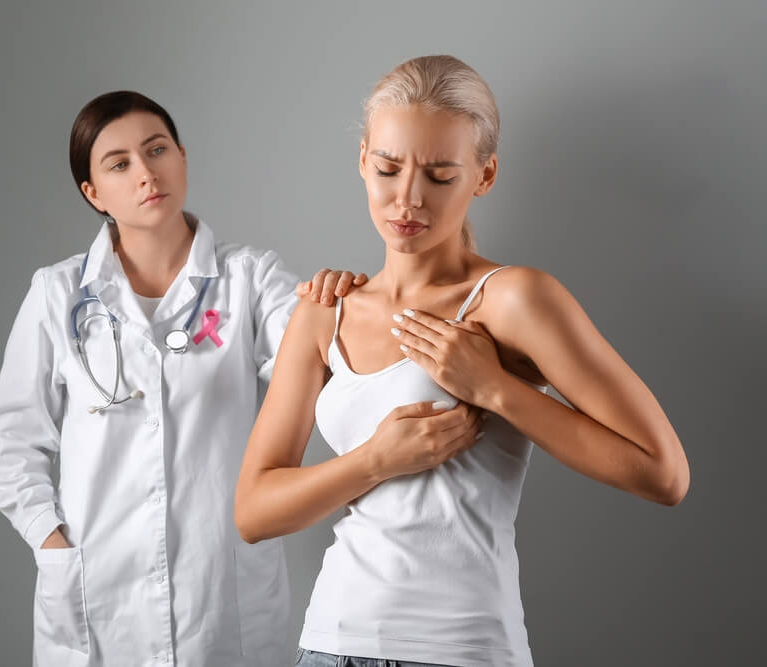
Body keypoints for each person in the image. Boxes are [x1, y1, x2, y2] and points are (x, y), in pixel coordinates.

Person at [234, 55, 690, 667]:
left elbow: (664, 475)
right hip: (331, 643)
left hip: (466, 649)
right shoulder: (326, 310)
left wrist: (497, 389)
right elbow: (253, 511)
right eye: (388, 169)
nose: (408, 199)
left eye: (441, 176)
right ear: (363, 160)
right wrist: (375, 460)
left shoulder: (514, 300)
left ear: (485, 175)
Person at [0, 90, 365, 667]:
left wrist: (338, 307)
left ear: (182, 156)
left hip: (221, 600)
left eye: (157, 150)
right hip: (97, 599)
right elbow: (10, 437)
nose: (145, 173)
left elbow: (330, 360)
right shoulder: (57, 294)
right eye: (119, 163)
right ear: (93, 193)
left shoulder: (249, 280)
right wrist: (51, 541)